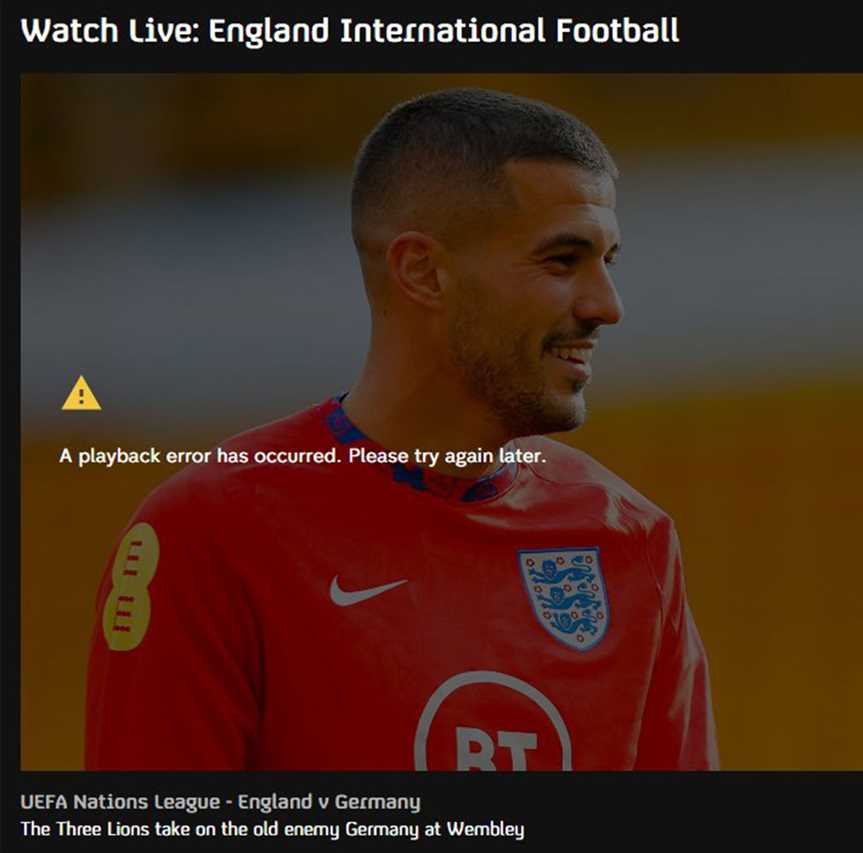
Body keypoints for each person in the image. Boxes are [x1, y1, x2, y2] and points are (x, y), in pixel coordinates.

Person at [84, 88, 719, 770]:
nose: (606, 305)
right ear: (423, 271)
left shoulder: (631, 539)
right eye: (562, 260)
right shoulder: (211, 532)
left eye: (607, 261)